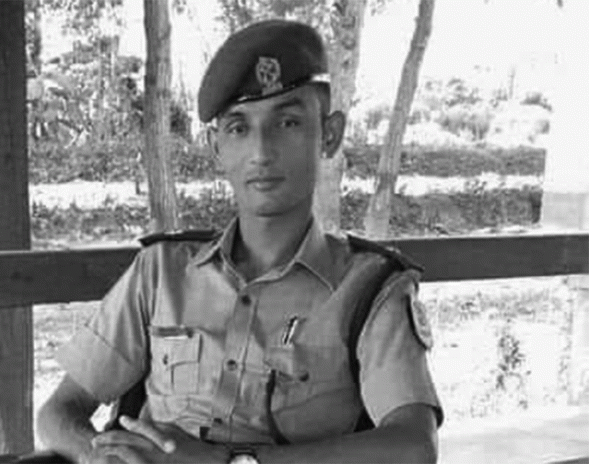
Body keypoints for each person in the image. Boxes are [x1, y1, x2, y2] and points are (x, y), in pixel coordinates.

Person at [37, 19, 443, 464]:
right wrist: (100, 456)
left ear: (329, 135)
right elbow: (59, 412)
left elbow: (413, 447)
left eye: (287, 122)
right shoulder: (161, 273)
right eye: (238, 128)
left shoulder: (368, 289)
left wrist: (231, 463)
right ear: (217, 148)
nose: (261, 152)